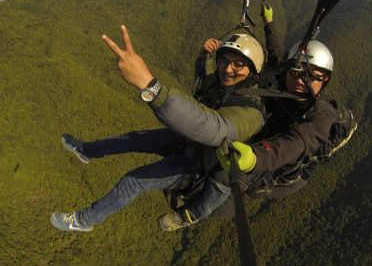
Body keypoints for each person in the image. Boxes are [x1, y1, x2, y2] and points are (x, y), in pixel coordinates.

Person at [157, 3, 357, 230]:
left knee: (228, 173)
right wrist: (269, 21)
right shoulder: (285, 79)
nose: (302, 80)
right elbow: (276, 51)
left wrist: (255, 158)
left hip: (285, 170)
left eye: (313, 76)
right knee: (226, 144)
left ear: (326, 81)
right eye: (297, 72)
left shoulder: (322, 116)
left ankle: (189, 216)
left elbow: (294, 144)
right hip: (271, 136)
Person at [50, 25, 266, 232]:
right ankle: (86, 150)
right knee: (135, 138)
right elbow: (201, 84)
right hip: (187, 141)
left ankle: (85, 220)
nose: (228, 69)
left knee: (132, 181)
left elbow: (215, 128)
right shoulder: (222, 84)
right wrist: (204, 56)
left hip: (196, 165)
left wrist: (150, 86)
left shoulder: (251, 110)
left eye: (238, 65)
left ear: (253, 70)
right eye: (224, 62)